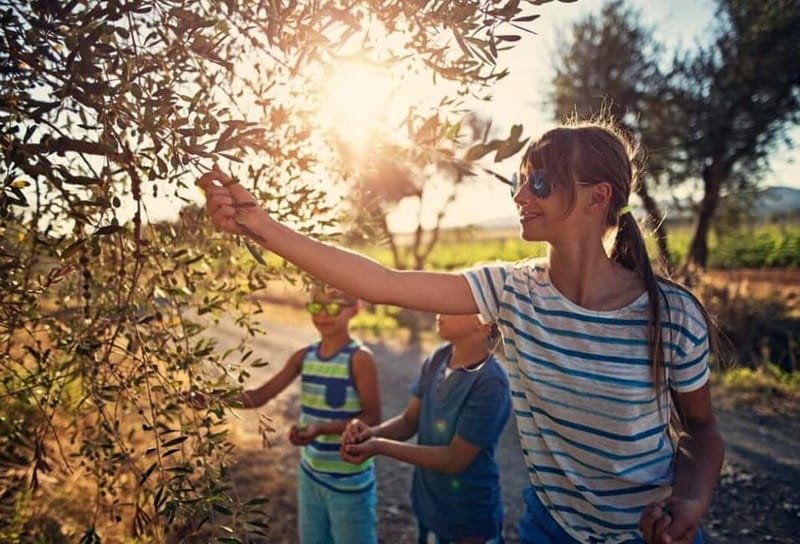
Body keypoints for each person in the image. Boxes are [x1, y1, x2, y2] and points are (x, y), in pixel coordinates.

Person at [197, 119, 724, 544]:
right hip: (549, 527)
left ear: (596, 197)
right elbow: (381, 282)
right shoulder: (511, 291)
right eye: (521, 180)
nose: (521, 195)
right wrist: (261, 226)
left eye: (539, 182)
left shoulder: (671, 314)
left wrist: (691, 502)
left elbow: (700, 431)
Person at [191, 284, 381, 544]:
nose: (323, 314)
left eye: (334, 307)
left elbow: (372, 418)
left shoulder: (359, 359)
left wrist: (320, 430)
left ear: (355, 310)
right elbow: (260, 396)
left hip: (349, 480)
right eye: (316, 305)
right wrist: (213, 397)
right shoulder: (304, 356)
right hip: (310, 473)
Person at [340, 313, 511, 544]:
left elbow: (454, 460)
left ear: (485, 324)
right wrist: (370, 433)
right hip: (429, 505)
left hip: (468, 518)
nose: (440, 310)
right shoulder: (439, 357)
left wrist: (379, 446)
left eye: (453, 307)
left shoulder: (490, 382)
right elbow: (409, 422)